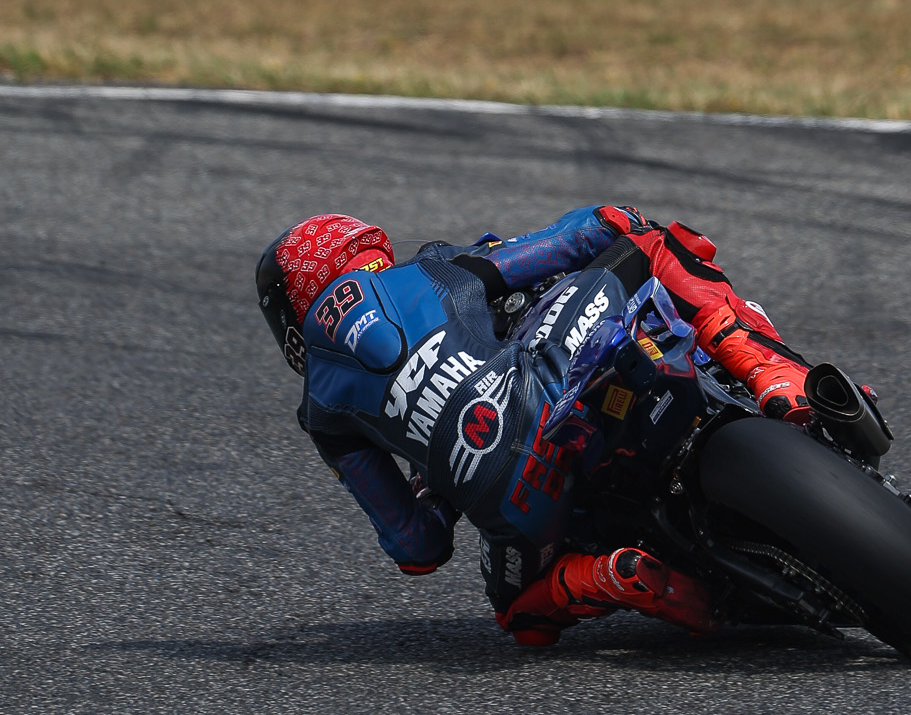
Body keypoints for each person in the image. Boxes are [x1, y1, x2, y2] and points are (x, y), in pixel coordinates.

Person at [256, 204, 820, 643]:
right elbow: (588, 234)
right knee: (647, 242)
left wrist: (441, 487)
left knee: (518, 615)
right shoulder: (433, 268)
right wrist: (605, 225)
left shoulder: (320, 413)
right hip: (554, 386)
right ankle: (774, 374)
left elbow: (418, 549)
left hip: (517, 502)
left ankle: (606, 575)